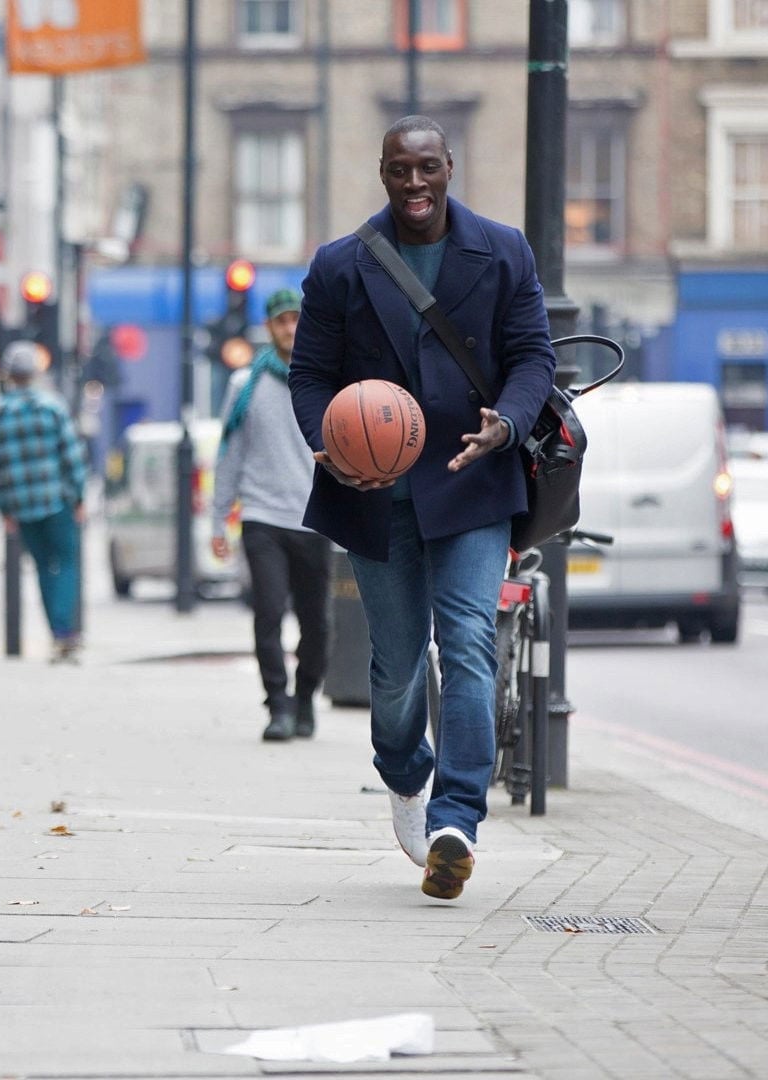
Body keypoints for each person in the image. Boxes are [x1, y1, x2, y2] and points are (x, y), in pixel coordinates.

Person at [288, 116, 556, 902]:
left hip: (472, 480)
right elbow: (309, 376)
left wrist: (505, 421)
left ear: (450, 168)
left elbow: (534, 354)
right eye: (400, 170)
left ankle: (457, 819)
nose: (415, 184)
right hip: (374, 495)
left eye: (428, 168)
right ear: (382, 173)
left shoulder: (503, 251)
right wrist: (329, 446)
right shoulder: (340, 266)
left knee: (468, 642)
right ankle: (405, 774)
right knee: (397, 665)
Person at [212, 288, 332, 742]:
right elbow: (230, 453)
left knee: (316, 622)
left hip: (315, 515)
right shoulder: (247, 385)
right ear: (269, 327)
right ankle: (277, 705)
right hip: (262, 515)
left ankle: (305, 699)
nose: (290, 329)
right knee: (267, 612)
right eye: (282, 321)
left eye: (297, 319)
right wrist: (218, 519)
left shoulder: (325, 379)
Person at [0, 341, 88, 663]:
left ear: (9, 376)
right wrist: (78, 496)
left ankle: (57, 632)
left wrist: (4, 509)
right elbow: (72, 455)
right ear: (36, 373)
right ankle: (65, 632)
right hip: (57, 502)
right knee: (66, 563)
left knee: (43, 567)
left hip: (21, 507)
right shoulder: (52, 407)